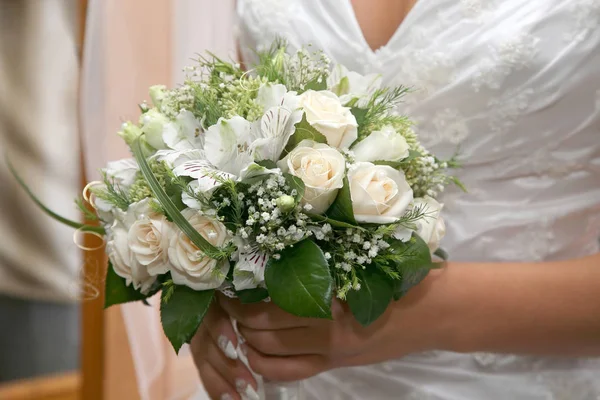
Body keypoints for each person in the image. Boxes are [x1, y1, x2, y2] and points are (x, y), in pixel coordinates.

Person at [190, 0, 600, 399]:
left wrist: (424, 312)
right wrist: (214, 292)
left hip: (520, 374)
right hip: (285, 379)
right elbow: (246, 138)